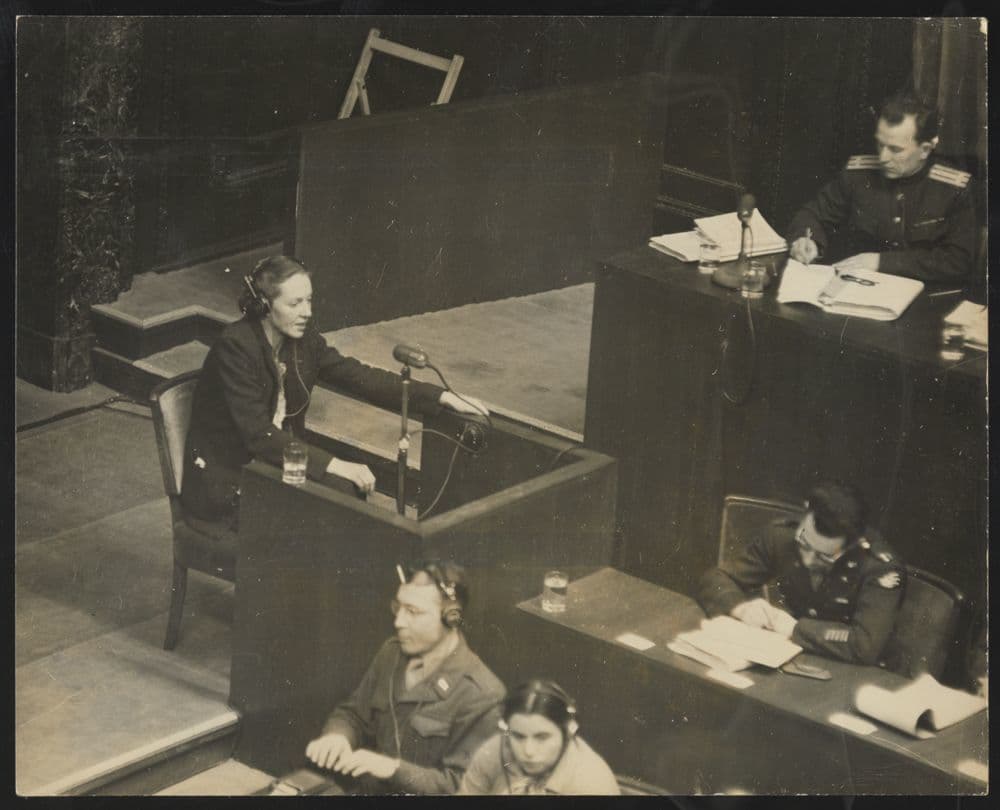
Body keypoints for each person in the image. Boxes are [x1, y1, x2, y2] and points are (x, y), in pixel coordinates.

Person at [180, 255, 486, 527]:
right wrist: (337, 465)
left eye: (309, 301)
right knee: (339, 494)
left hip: (275, 464)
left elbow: (358, 376)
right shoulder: (236, 346)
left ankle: (328, 585)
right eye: (295, 303)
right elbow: (259, 435)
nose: (306, 312)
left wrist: (441, 396)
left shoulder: (302, 340)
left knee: (346, 493)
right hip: (230, 480)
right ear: (263, 305)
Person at [304, 559, 505, 795]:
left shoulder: (483, 695)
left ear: (451, 617)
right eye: (398, 608)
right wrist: (338, 736)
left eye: (413, 612)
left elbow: (463, 787)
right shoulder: (392, 653)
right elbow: (354, 714)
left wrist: (394, 770)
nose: (398, 622)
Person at [697, 481, 905, 666]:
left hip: (859, 676)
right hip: (798, 660)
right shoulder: (782, 536)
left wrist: (796, 629)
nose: (807, 560)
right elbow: (716, 578)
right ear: (806, 514)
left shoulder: (878, 567)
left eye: (823, 557)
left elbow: (864, 645)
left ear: (850, 546)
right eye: (804, 543)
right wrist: (740, 608)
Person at [786, 91, 976, 283]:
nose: (883, 158)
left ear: (925, 150)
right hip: (858, 286)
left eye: (895, 149)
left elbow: (958, 260)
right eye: (880, 144)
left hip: (926, 297)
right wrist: (806, 240)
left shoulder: (953, 188)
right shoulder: (857, 174)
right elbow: (811, 214)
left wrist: (881, 262)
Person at [458, 679, 619, 795]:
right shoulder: (494, 751)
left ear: (569, 732)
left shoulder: (593, 785)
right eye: (518, 736)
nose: (528, 751)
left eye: (542, 737)